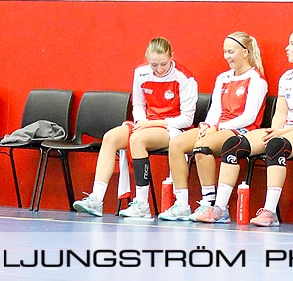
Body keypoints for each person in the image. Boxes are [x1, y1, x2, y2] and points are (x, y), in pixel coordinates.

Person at [219, 27, 293, 227]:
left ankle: (270, 212)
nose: (287, 48)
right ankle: (219, 208)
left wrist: (281, 133)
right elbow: (280, 113)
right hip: (285, 130)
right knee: (233, 144)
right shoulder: (287, 77)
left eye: (292, 43)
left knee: (276, 145)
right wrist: (274, 130)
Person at [74, 38, 199, 218]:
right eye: (154, 65)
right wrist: (141, 122)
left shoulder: (184, 78)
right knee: (110, 137)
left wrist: (149, 125)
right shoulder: (140, 74)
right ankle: (96, 199)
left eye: (164, 64)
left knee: (137, 140)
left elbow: (186, 119)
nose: (159, 69)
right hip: (146, 124)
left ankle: (142, 204)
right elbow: (138, 106)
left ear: (172, 56)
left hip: (173, 128)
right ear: (147, 59)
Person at [165, 31, 267, 223]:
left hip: (242, 130)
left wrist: (218, 128)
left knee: (203, 146)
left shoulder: (256, 79)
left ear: (245, 52)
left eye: (231, 52)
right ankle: (181, 204)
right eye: (225, 52)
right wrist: (207, 124)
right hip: (218, 127)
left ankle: (210, 203)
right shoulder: (223, 78)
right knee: (176, 144)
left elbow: (249, 116)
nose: (227, 56)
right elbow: (215, 109)